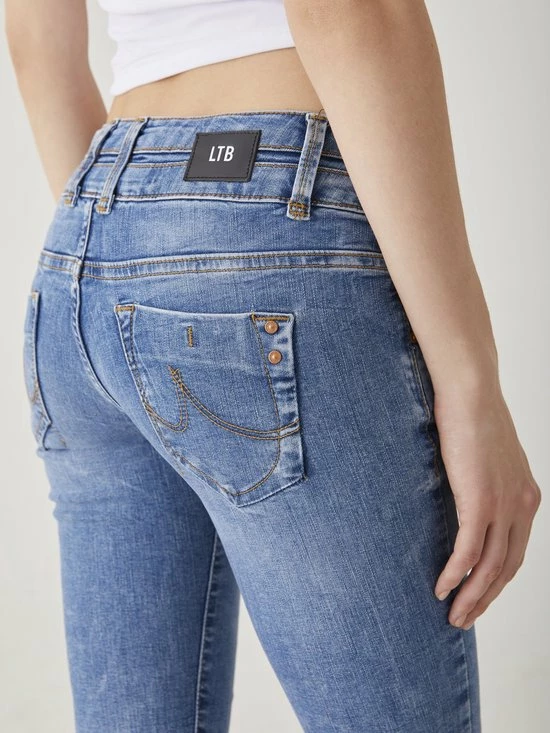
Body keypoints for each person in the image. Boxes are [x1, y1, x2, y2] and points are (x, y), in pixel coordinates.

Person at [7, 1, 542, 731]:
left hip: (84, 242)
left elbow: (34, 35)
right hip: (263, 213)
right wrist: (472, 388)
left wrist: (135, 249)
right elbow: (351, 9)